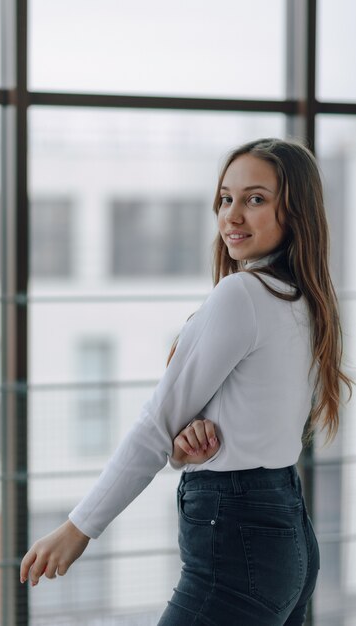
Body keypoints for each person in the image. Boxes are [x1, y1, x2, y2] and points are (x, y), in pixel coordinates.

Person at [20, 138, 354, 625]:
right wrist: (185, 451)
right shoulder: (304, 301)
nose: (232, 216)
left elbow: (156, 423)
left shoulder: (243, 295)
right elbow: (247, 422)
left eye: (255, 199)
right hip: (287, 536)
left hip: (236, 548)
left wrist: (78, 528)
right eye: (226, 198)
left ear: (295, 211)